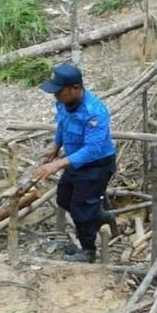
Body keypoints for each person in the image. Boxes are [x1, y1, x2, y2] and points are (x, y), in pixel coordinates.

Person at [33, 65, 117, 263]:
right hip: (74, 162)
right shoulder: (63, 104)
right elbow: (62, 125)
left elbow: (93, 149)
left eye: (59, 91)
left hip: (96, 166)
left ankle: (88, 251)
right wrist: (56, 146)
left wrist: (57, 164)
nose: (55, 96)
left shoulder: (94, 113)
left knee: (81, 208)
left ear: (76, 88)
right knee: (63, 198)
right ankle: (98, 215)